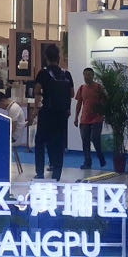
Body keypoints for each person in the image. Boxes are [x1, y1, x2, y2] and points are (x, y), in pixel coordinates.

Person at [32, 42, 74, 181]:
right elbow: (72, 94)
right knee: (58, 144)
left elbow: (37, 91)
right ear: (58, 57)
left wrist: (36, 108)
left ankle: (39, 172)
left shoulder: (43, 73)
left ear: (46, 57)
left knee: (40, 142)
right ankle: (56, 174)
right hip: (62, 114)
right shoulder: (66, 74)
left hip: (47, 113)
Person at [73, 66, 107, 170]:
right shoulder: (82, 88)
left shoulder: (98, 87)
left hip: (97, 118)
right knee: (85, 141)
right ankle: (87, 162)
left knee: (95, 138)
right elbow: (79, 104)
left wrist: (103, 112)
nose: (87, 77)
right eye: (85, 75)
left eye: (89, 75)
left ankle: (100, 156)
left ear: (93, 76)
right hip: (84, 119)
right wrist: (76, 117)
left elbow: (105, 101)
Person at [2, 88, 31, 173]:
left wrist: (5, 136)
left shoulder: (13, 109)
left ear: (2, 101)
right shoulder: (13, 107)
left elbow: (13, 127)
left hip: (15, 137)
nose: (0, 107)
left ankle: (1, 165)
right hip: (16, 135)